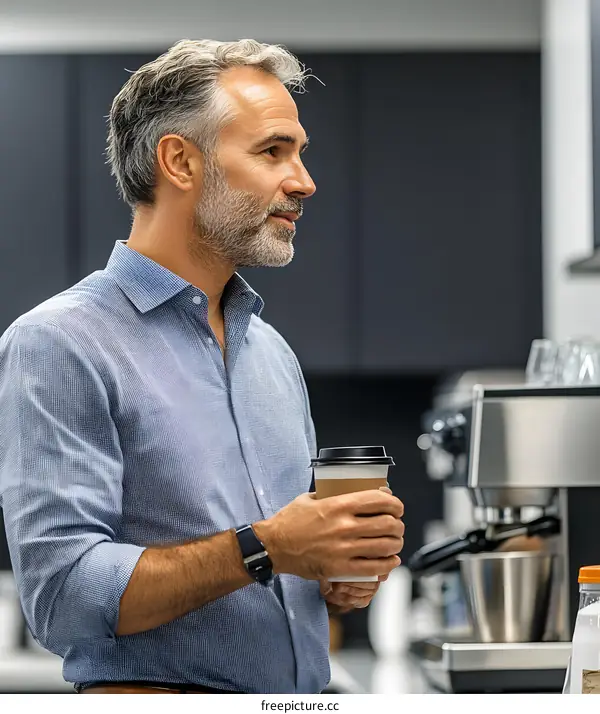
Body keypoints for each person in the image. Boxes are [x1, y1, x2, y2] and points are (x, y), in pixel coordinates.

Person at [0, 39, 405, 695]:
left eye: (299, 153)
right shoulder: (60, 342)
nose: (304, 180)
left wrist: (335, 570)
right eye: (273, 151)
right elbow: (62, 598)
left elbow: (281, 570)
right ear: (180, 161)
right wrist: (269, 545)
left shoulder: (271, 354)